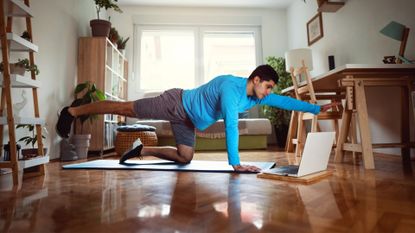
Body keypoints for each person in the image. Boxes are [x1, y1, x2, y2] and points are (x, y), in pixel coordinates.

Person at [56, 64, 335, 172]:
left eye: (270, 90)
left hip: (186, 120)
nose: (269, 93)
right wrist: (235, 163)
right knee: (124, 108)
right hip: (175, 103)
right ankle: (72, 112)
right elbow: (231, 125)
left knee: (185, 157)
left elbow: (285, 101)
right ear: (257, 79)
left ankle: (143, 149)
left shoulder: (255, 95)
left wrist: (316, 109)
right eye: (268, 87)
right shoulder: (231, 88)